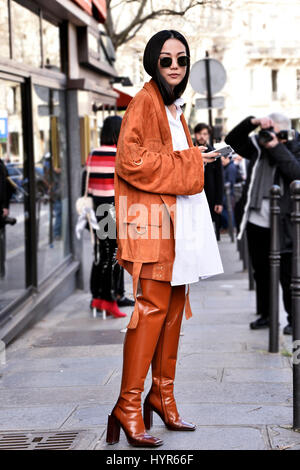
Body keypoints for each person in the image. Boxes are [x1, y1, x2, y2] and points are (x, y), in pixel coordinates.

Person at [106, 30, 223, 448]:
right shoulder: (144, 102)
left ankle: (162, 394)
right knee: (152, 309)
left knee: (172, 310)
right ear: (153, 62)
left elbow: (171, 162)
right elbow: (129, 159)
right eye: (166, 59)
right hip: (153, 224)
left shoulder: (173, 108)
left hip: (177, 223)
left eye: (182, 59)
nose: (175, 66)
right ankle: (129, 403)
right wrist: (192, 159)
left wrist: (199, 156)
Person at [225, 113, 300, 334]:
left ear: (285, 131)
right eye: (267, 131)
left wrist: (278, 147)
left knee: (288, 272)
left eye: (273, 131)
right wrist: (253, 122)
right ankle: (267, 315)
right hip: (257, 218)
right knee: (261, 271)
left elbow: (295, 173)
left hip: (285, 221)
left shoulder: (295, 146)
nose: (268, 136)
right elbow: (232, 140)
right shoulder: (258, 148)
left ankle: (293, 319)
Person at [83, 116, 134, 318]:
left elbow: (88, 186)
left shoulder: (93, 154)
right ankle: (110, 299)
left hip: (95, 211)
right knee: (113, 256)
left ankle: (98, 297)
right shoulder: (119, 155)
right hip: (112, 211)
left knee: (100, 256)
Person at [194, 123, 224, 240]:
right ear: (195, 134)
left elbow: (220, 178)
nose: (202, 136)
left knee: (209, 232)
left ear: (208, 136)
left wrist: (219, 202)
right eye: (200, 133)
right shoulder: (188, 150)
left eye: (205, 134)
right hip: (193, 194)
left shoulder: (214, 152)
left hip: (210, 195)